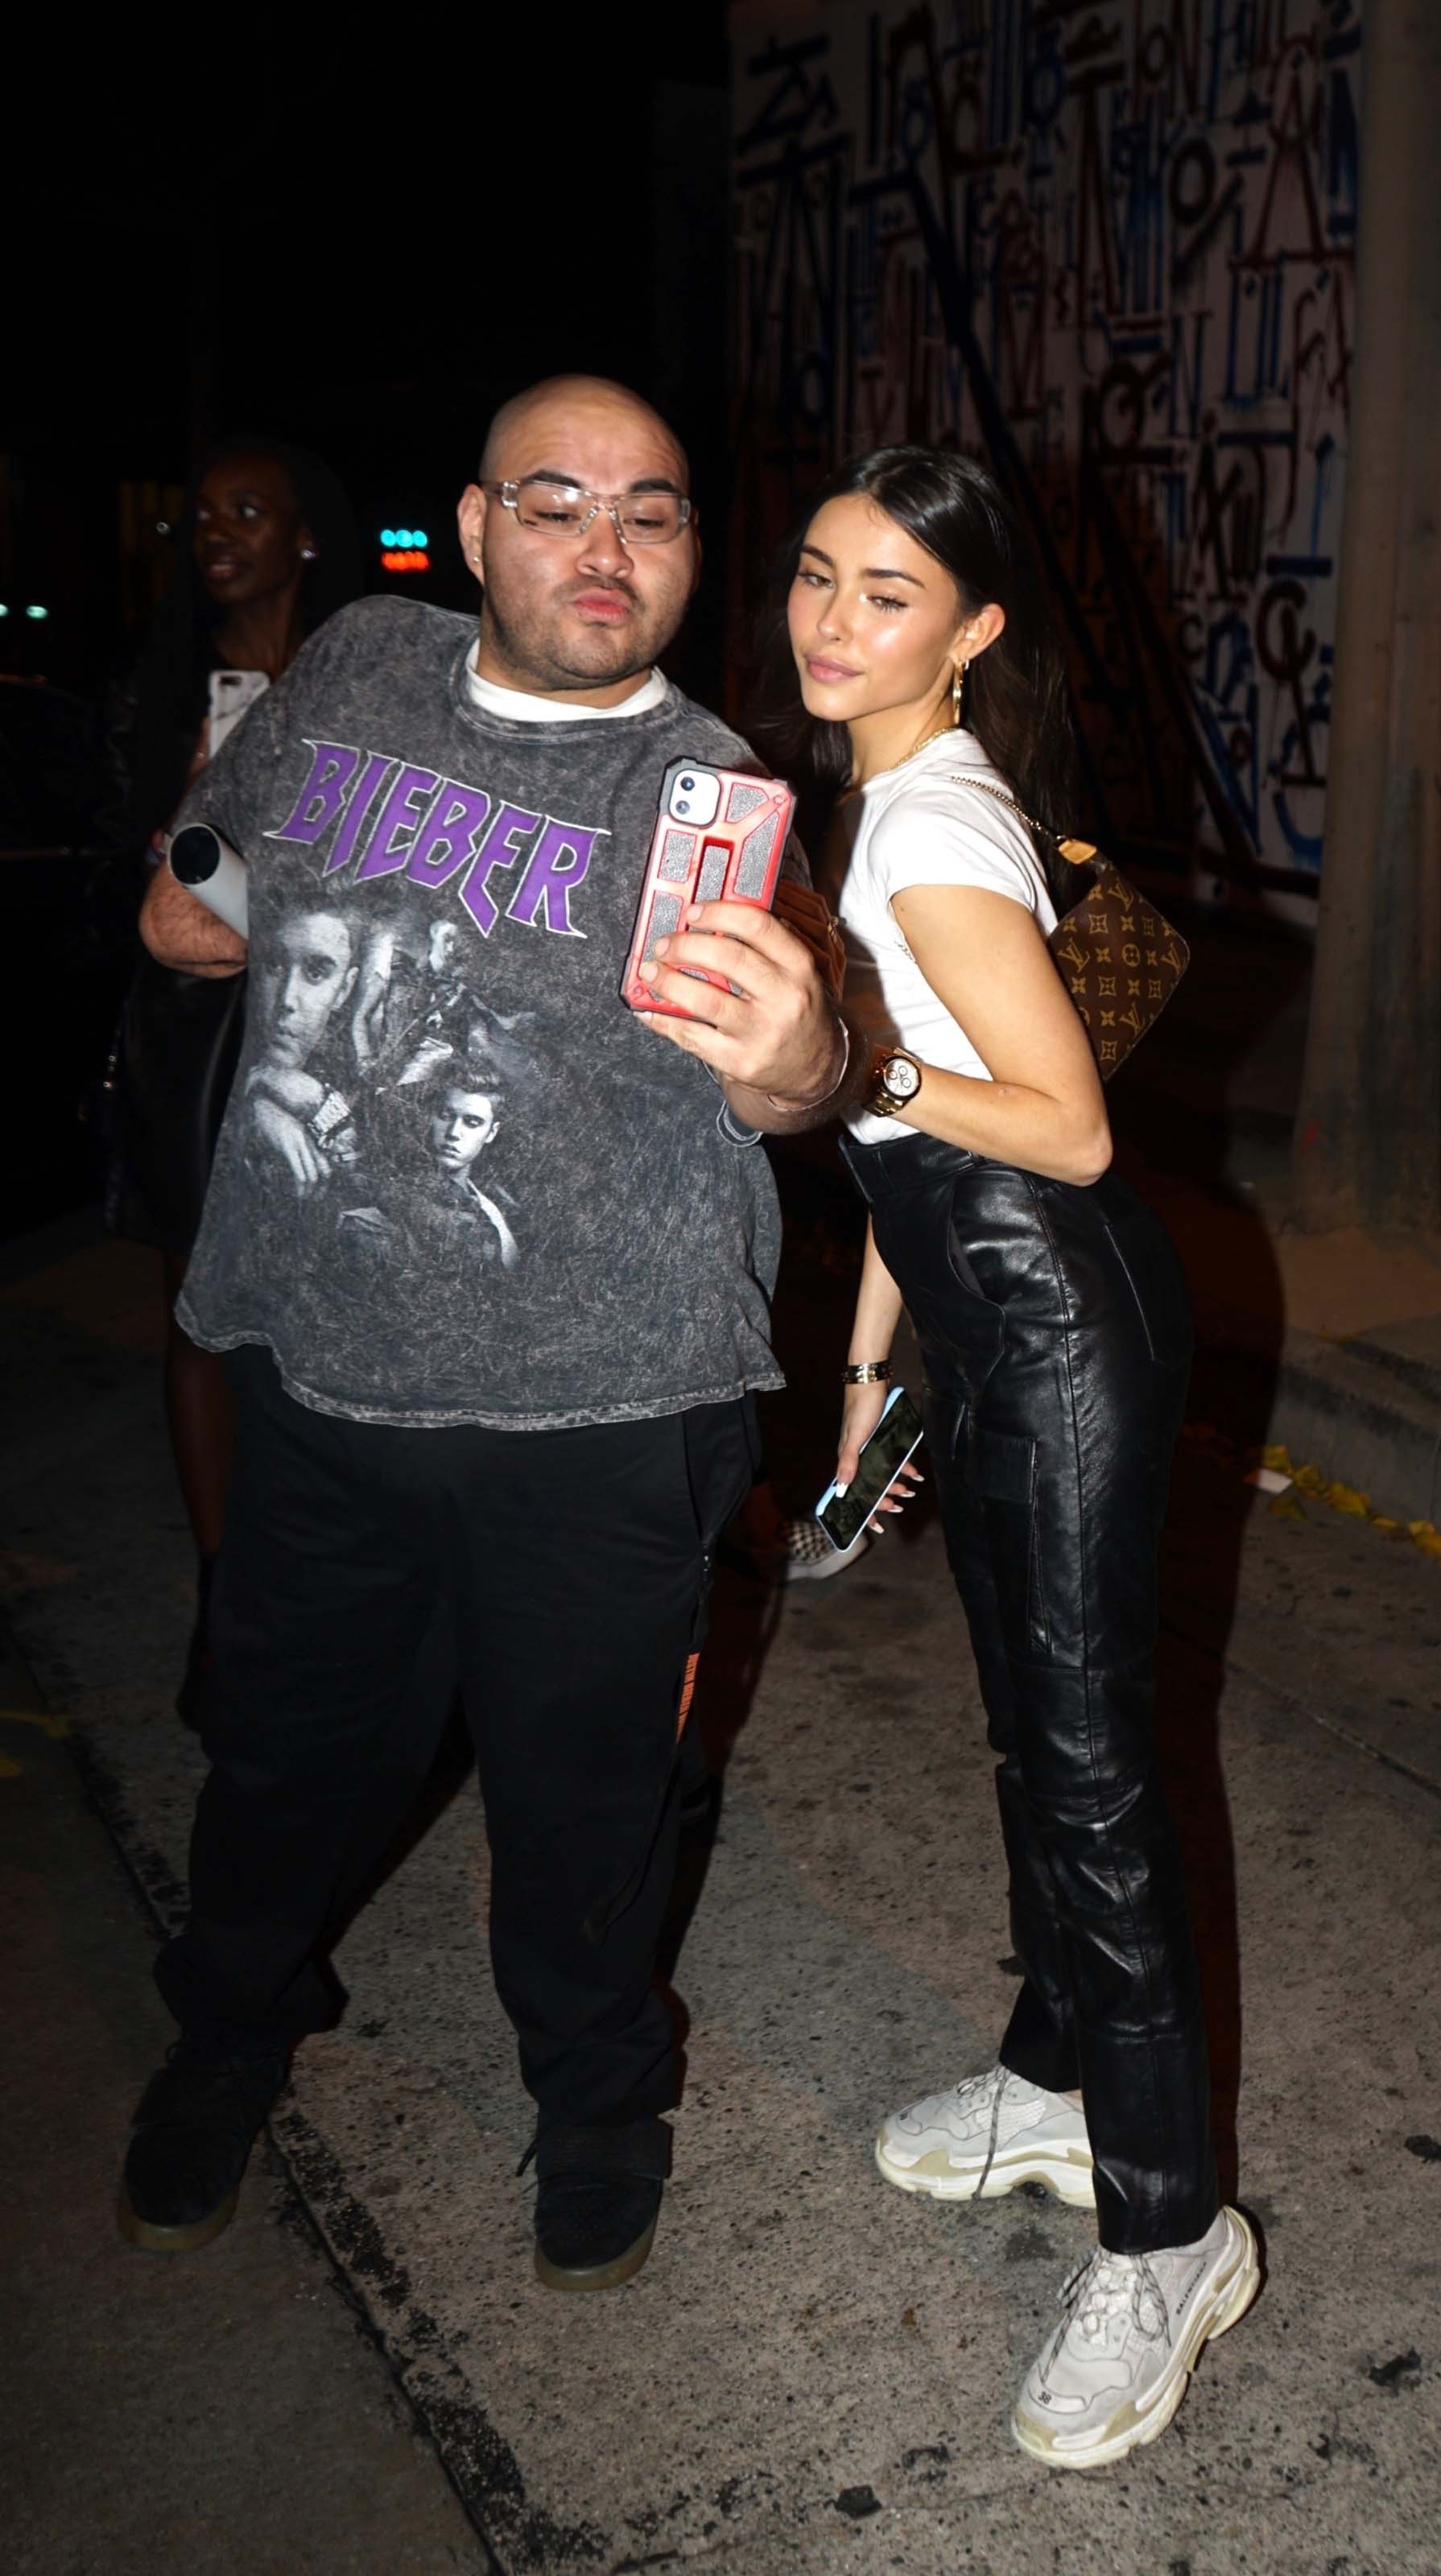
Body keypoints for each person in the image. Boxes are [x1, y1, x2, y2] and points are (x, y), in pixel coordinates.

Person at [121, 374, 859, 2293]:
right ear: (471, 528)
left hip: (603, 1409)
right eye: (556, 503)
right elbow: (209, 873)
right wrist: (200, 884)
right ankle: (229, 2034)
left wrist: (802, 1059)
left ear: (691, 551)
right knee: (276, 1762)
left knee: (584, 1802)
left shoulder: (704, 793)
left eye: (651, 512)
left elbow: (785, 1079)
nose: (605, 548)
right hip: (322, 1373)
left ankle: (598, 2096)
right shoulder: (359, 662)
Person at [748, 444, 1259, 2470]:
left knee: (1090, 1768)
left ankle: (1169, 2228)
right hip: (982, 1327)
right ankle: (1053, 2076)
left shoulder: (933, 824)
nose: (829, 619)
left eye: (885, 594)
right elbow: (906, 1148)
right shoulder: (878, 798)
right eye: (815, 573)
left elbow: (1057, 1123)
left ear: (966, 632)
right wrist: (870, 1374)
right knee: (1032, 1737)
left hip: (1057, 1331)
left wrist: (860, 1053)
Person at [102, 440, 364, 1713]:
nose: (217, 533)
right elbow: (141, 871)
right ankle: (225, 1602)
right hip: (201, 1029)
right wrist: (190, 808)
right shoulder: (163, 688)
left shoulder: (364, 675)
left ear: (303, 534)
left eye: (248, 511)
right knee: (201, 1315)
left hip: (330, 1021)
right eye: (204, 516)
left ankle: (336, 1582)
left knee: (337, 1305)